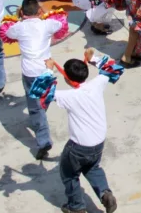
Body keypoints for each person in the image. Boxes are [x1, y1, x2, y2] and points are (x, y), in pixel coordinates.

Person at [43, 49, 119, 213]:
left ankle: (76, 207)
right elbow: (113, 67)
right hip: (98, 142)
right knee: (92, 167)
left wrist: (49, 69)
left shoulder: (68, 96)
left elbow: (41, 91)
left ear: (67, 78)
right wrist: (94, 58)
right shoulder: (97, 83)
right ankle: (105, 193)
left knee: (69, 174)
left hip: (79, 146)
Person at [5, 0, 66, 159]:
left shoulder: (18, 27)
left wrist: (19, 18)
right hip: (47, 70)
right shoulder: (47, 24)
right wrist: (44, 14)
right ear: (39, 11)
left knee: (35, 106)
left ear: (22, 12)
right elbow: (60, 23)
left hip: (30, 72)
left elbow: (7, 32)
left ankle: (43, 140)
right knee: (43, 101)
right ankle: (39, 121)